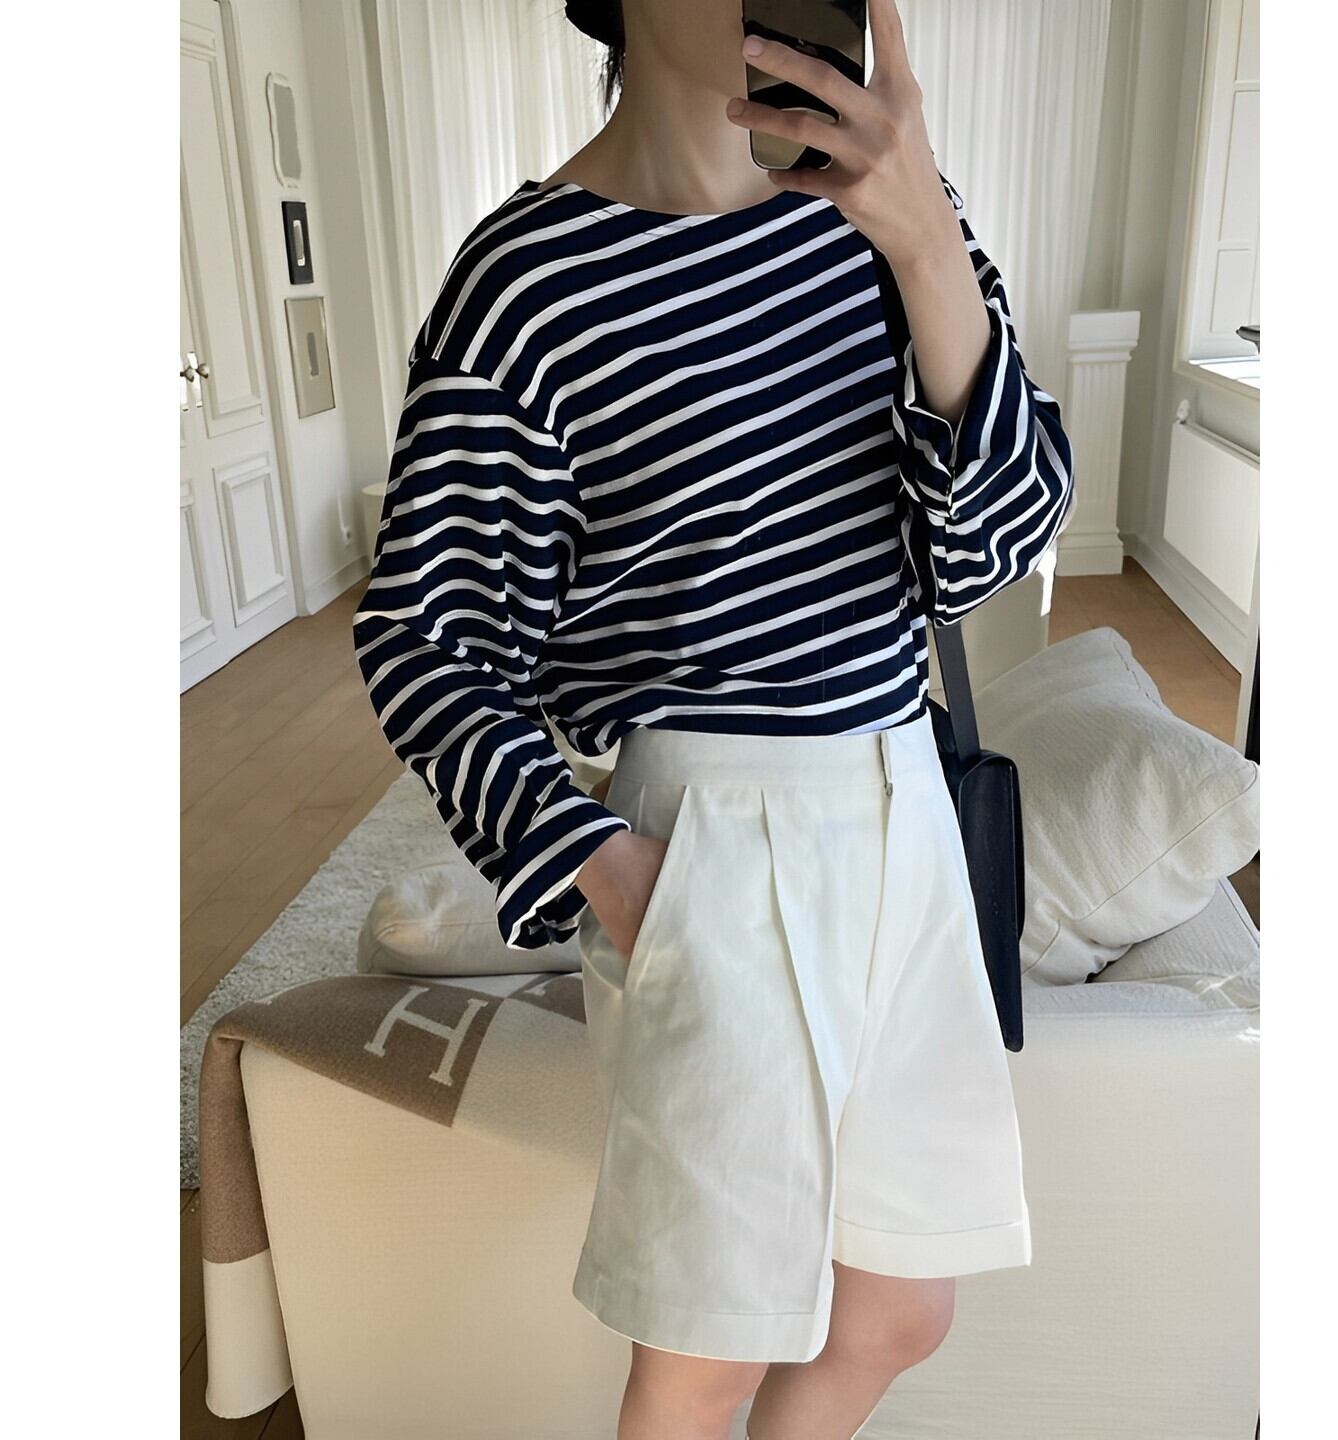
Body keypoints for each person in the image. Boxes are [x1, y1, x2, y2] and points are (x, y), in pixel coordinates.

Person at [352, 1, 1075, 1435]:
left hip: (903, 800)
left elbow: (999, 541)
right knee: (708, 1351)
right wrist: (609, 868)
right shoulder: (527, 285)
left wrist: (929, 249)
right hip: (705, 837)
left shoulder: (890, 213)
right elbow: (429, 635)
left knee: (899, 1306)